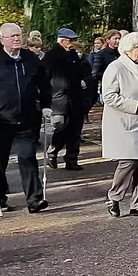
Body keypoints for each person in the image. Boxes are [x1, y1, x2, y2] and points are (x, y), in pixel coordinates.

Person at [0, 22, 53, 213]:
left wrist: (45, 105)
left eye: (19, 35)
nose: (17, 39)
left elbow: (44, 84)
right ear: (2, 39)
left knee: (28, 157)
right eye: (12, 36)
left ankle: (34, 199)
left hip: (27, 118)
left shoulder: (30, 58)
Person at [101, 32, 138, 217]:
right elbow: (109, 96)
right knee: (129, 161)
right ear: (127, 50)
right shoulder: (116, 68)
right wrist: (135, 106)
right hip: (124, 122)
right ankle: (114, 197)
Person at [45, 27, 92, 170]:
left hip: (76, 98)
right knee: (61, 127)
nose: (72, 44)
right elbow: (45, 77)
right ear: (62, 40)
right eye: (70, 41)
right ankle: (53, 151)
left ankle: (71, 160)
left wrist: (84, 82)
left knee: (75, 131)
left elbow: (83, 72)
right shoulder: (51, 56)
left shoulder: (73, 55)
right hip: (59, 99)